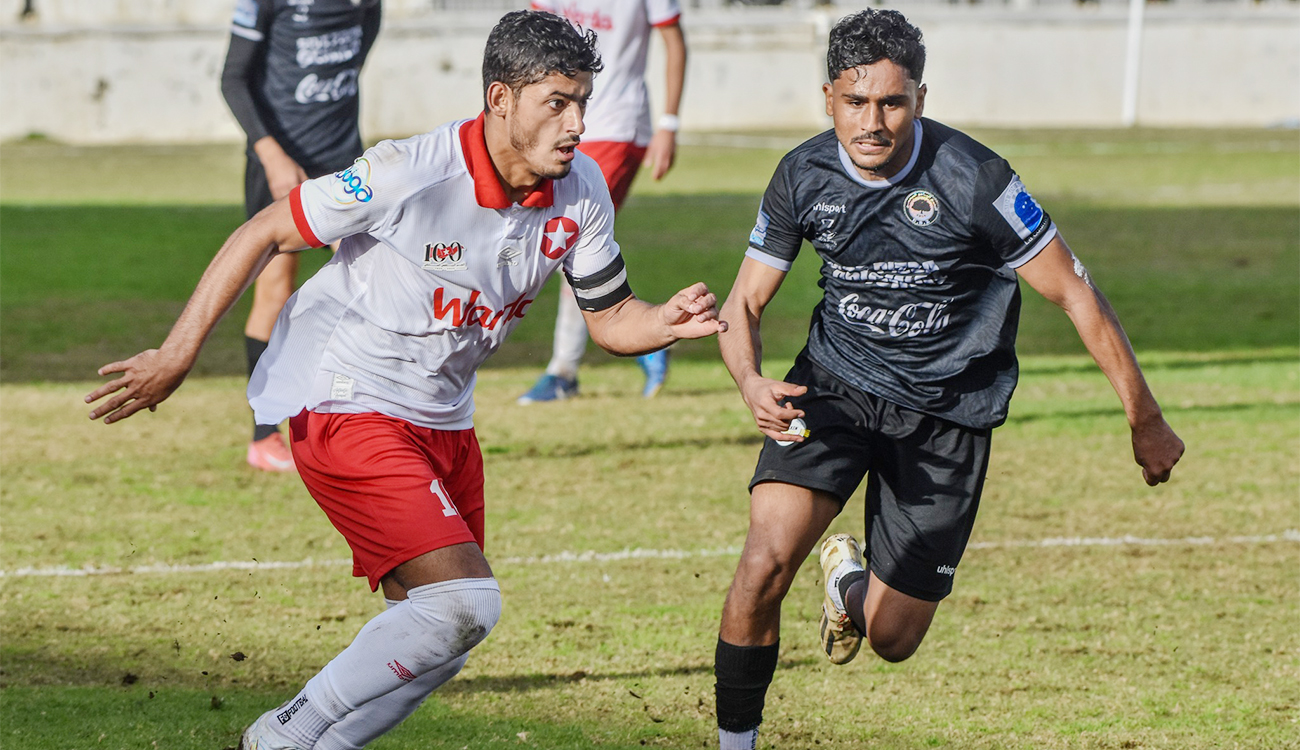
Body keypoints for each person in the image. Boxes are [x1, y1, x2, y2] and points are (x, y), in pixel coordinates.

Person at [85, 10, 725, 748]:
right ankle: (281, 735)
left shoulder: (581, 190)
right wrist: (177, 353)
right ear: (500, 99)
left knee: (436, 637)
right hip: (346, 402)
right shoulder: (411, 171)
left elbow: (610, 317)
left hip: (446, 420)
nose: (578, 123)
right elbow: (264, 230)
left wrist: (663, 320)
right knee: (464, 605)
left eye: (583, 102)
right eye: (557, 102)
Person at [710, 10, 1186, 749]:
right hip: (833, 387)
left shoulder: (977, 179)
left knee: (892, 637)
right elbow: (743, 301)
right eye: (855, 102)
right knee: (762, 564)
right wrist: (749, 380)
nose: (873, 122)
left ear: (921, 99)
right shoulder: (802, 174)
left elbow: (1075, 293)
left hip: (946, 412)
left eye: (892, 103)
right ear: (829, 98)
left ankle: (847, 583)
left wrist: (1144, 417)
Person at [221, 0, 382, 472]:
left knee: (373, 285)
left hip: (343, 165)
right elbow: (232, 79)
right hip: (279, 166)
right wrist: (271, 155)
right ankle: (264, 436)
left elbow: (357, 56)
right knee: (274, 292)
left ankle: (370, 423)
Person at [517, 0, 688, 403]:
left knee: (570, 237)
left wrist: (668, 124)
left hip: (617, 125)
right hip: (559, 120)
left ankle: (564, 370)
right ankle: (645, 336)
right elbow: (533, 39)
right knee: (549, 234)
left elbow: (674, 41)